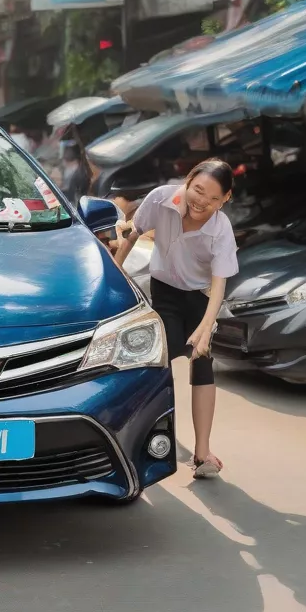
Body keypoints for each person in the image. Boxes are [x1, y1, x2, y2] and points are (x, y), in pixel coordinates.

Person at [114, 160, 239, 480]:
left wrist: (205, 330)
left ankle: (202, 453)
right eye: (198, 190)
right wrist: (112, 278)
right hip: (165, 293)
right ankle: (135, 438)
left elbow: (219, 284)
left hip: (200, 298)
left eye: (213, 199)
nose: (202, 202)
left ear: (225, 199)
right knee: (156, 363)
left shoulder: (221, 228)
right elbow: (131, 235)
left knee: (202, 361)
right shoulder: (159, 199)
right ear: (188, 181)